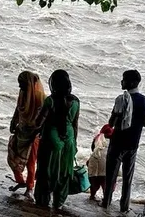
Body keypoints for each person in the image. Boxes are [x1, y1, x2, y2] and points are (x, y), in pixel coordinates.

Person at [101, 70, 145, 213]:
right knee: (128, 178)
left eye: (124, 80)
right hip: (133, 143)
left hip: (117, 142)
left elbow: (111, 122)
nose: (121, 82)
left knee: (111, 176)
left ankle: (106, 202)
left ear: (132, 82)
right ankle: (124, 206)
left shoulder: (120, 99)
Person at [34, 69, 80, 209]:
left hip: (51, 140)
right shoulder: (76, 101)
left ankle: (43, 201)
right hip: (69, 140)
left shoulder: (50, 101)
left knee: (46, 172)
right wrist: (74, 143)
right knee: (64, 173)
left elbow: (38, 123)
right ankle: (58, 203)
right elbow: (75, 124)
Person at [7, 71, 46, 199]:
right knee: (12, 157)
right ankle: (21, 181)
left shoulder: (40, 97)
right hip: (22, 131)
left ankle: (29, 188)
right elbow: (18, 108)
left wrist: (37, 133)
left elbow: (43, 119)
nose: (20, 87)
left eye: (22, 84)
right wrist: (14, 122)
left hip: (34, 134)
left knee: (30, 162)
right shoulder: (23, 93)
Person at [87, 124, 113, 201]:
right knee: (105, 182)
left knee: (94, 181)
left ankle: (92, 195)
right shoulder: (113, 140)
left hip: (94, 161)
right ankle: (106, 198)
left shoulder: (97, 137)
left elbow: (93, 149)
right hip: (106, 163)